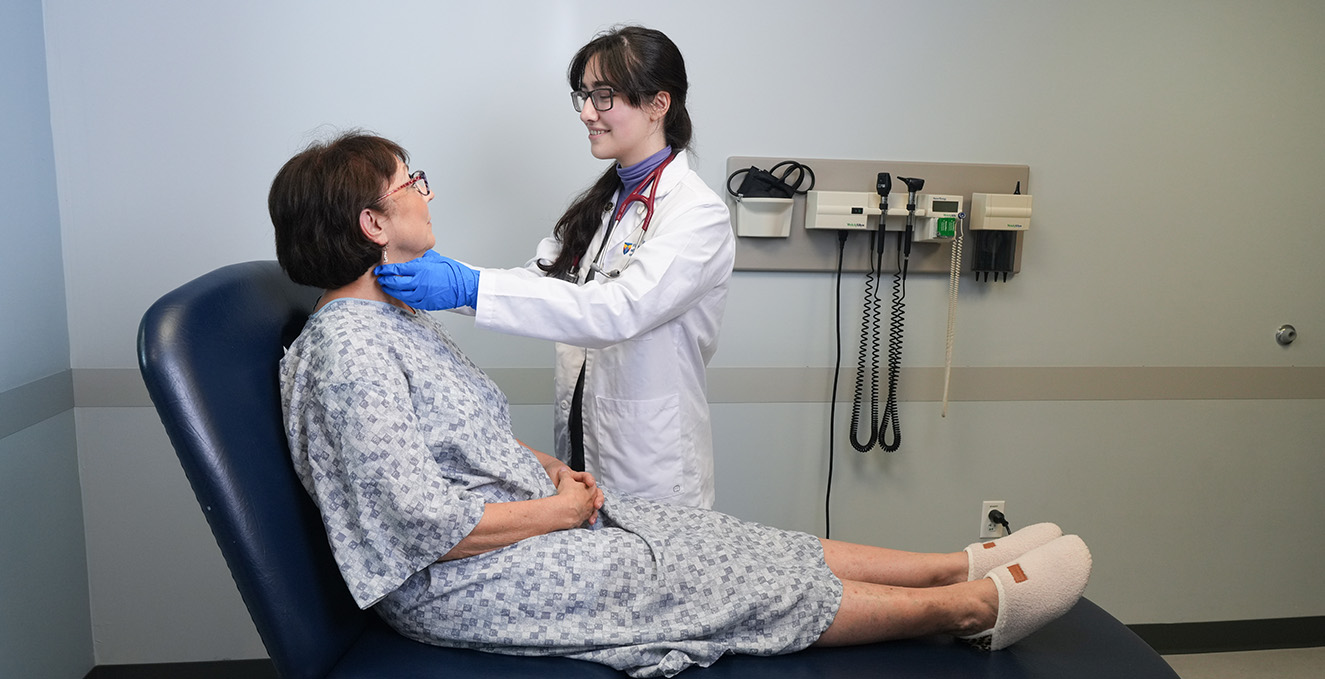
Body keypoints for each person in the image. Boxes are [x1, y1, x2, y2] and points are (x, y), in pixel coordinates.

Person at [270, 132, 1092, 678]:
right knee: (689, 574)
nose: (426, 192)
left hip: (515, 527)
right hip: (456, 582)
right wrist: (557, 511)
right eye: (410, 183)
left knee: (710, 533)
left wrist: (551, 472)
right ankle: (968, 609)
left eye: (605, 97)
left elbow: (460, 447)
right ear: (375, 222)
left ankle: (954, 562)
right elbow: (416, 523)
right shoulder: (350, 350)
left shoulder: (398, 323)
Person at [374, 26, 735, 509]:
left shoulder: (696, 214)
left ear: (658, 103)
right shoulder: (605, 204)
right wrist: (450, 278)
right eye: (584, 96)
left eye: (604, 96)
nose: (588, 113)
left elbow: (615, 311)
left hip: (653, 465)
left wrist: (470, 286)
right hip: (584, 444)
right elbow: (540, 283)